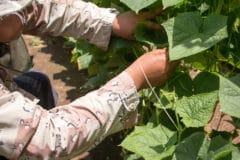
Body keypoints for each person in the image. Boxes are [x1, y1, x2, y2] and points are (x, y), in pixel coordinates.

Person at [0, 0, 177, 159]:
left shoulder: (11, 16)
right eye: (15, 10)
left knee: (39, 84)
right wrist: (134, 79)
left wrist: (111, 23)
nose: (25, 12)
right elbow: (49, 139)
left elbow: (41, 9)